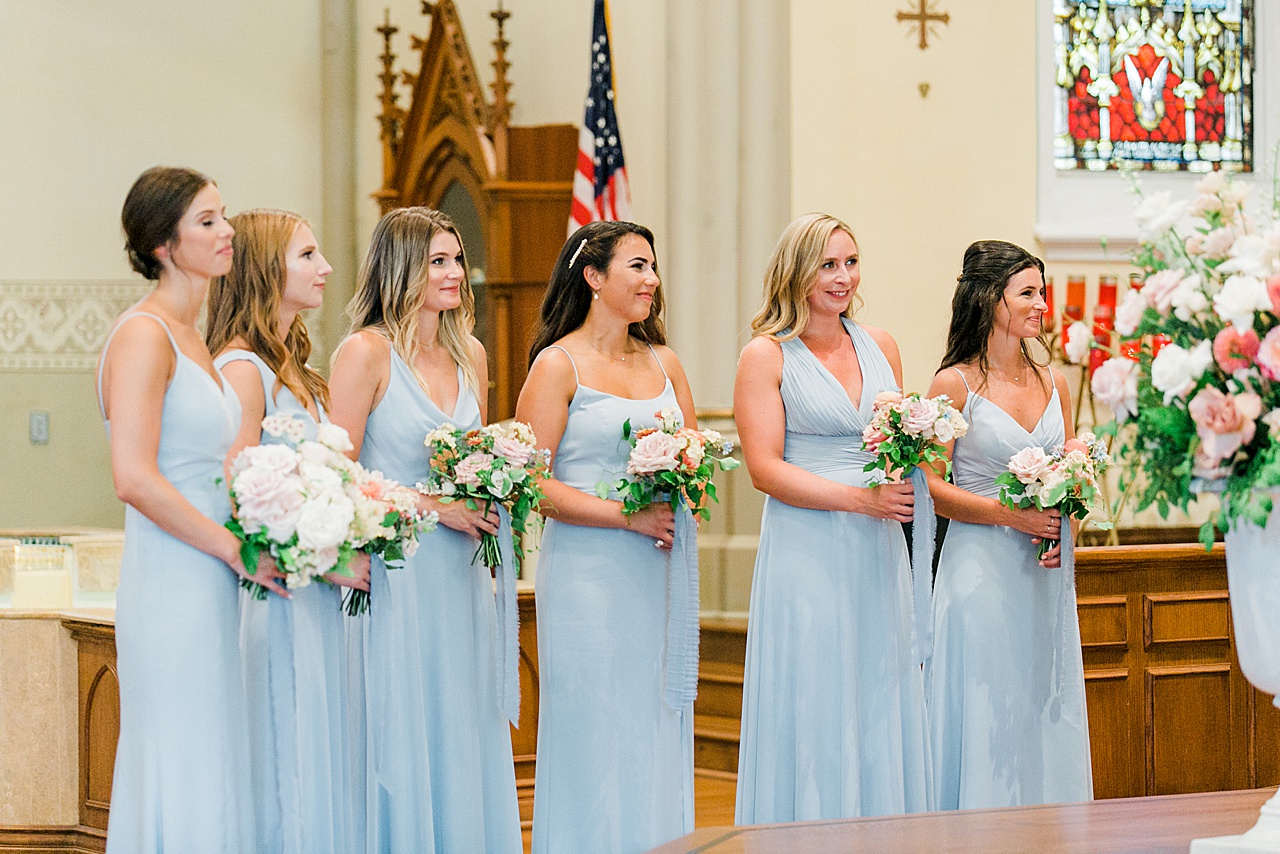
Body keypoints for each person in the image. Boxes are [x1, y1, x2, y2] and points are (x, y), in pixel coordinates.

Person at [96, 166, 285, 852]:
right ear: (162, 245)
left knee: (216, 757)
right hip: (174, 579)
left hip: (210, 569)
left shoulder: (194, 336)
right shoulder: (144, 334)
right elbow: (134, 477)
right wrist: (232, 546)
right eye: (206, 221)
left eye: (223, 215)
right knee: (184, 754)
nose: (226, 230)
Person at [328, 206, 521, 854]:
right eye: (438, 260)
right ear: (402, 267)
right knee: (404, 720)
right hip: (399, 568)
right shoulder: (365, 352)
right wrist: (437, 507)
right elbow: (338, 474)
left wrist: (492, 490)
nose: (455, 273)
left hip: (462, 573)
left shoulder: (471, 353)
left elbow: (475, 458)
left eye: (457, 260)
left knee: (461, 721)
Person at [732, 212, 932, 823]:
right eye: (828, 265)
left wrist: (910, 462)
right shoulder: (766, 356)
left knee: (880, 684)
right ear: (797, 272)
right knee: (816, 691)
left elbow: (895, 442)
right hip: (808, 545)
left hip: (876, 545)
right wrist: (859, 501)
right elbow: (764, 469)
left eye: (850, 262)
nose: (843, 277)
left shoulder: (883, 345)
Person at [516, 221, 700, 854]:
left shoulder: (665, 362)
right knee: (594, 723)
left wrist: (686, 487)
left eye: (653, 267)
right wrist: (627, 516)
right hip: (589, 575)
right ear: (594, 277)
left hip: (660, 572)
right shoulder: (557, 364)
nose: (652, 280)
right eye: (637, 267)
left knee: (654, 720)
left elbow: (693, 460)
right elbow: (530, 483)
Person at [205, 208, 369, 853]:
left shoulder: (300, 369)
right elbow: (238, 494)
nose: (326, 267)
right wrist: (323, 558)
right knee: (284, 754)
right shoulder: (241, 369)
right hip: (278, 594)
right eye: (307, 255)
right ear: (264, 270)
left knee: (320, 750)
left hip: (320, 593)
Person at [924, 239, 1093, 810]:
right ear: (991, 301)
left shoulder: (1055, 384)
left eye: (1041, 292)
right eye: (1028, 292)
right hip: (979, 570)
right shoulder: (955, 385)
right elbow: (930, 485)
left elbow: (1074, 474)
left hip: (1041, 574)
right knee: (988, 702)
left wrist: (1065, 523)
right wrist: (1007, 514)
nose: (1041, 304)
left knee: (1041, 700)